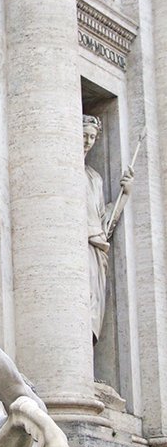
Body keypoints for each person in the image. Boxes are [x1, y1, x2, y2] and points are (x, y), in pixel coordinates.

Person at [83, 115, 133, 343]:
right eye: (84, 135)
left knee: (93, 305)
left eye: (92, 137)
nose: (88, 141)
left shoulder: (94, 177)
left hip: (96, 247)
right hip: (79, 247)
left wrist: (124, 195)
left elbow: (104, 221)